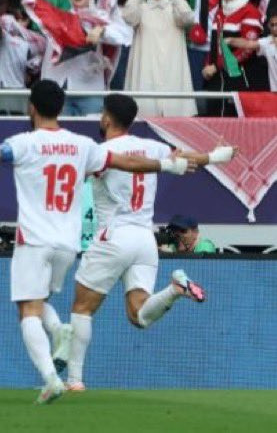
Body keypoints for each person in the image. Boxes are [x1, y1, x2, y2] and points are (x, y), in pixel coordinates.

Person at [0, 79, 196, 404]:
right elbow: (125, 162)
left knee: (28, 310)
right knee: (42, 302)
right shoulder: (83, 145)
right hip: (67, 245)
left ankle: (53, 375)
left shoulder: (25, 143)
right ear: (61, 107)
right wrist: (168, 164)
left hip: (35, 239)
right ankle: (59, 332)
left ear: (32, 107)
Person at [65, 94, 230, 390]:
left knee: (82, 308)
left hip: (114, 235)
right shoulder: (154, 147)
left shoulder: (102, 152)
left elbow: (78, 173)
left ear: (106, 118)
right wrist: (216, 156)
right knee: (139, 315)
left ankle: (74, 380)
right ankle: (175, 289)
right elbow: (187, 159)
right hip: (144, 240)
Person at [121, 0, 197, 116]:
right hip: (146, 73)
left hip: (173, 73)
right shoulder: (140, 8)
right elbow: (127, 15)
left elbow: (188, 18)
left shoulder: (176, 7)